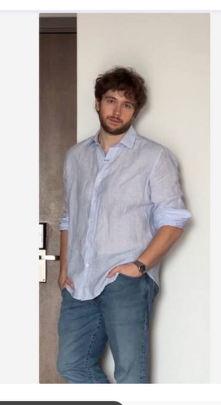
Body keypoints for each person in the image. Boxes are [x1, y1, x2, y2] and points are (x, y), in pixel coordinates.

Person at [56, 66, 192, 384]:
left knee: (130, 372)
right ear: (97, 103)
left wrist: (140, 267)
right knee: (70, 364)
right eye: (111, 100)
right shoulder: (75, 157)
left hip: (126, 281)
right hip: (79, 281)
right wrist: (65, 269)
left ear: (135, 111)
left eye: (126, 104)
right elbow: (69, 216)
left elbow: (173, 220)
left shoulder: (155, 157)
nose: (117, 111)